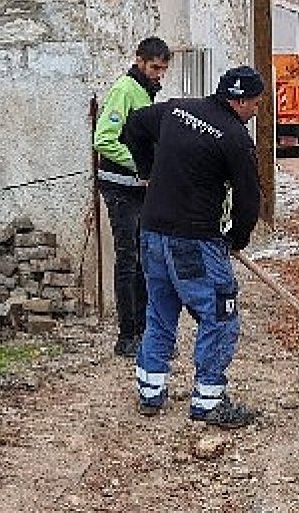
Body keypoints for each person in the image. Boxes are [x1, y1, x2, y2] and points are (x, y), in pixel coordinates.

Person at [120, 66, 265, 429]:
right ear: (242, 100)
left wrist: (147, 171)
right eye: (257, 104)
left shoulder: (175, 110)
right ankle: (209, 400)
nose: (257, 111)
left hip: (152, 232)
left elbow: (133, 126)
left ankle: (150, 392)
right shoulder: (235, 138)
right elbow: (250, 200)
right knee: (219, 314)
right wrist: (238, 238)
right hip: (195, 240)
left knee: (160, 309)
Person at [93, 37, 172, 357]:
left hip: (138, 187)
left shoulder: (146, 92)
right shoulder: (125, 90)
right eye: (154, 67)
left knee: (144, 261)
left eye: (163, 69)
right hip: (120, 187)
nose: (158, 75)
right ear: (139, 61)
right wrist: (143, 163)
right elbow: (104, 140)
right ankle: (127, 335)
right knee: (128, 261)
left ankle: (144, 331)